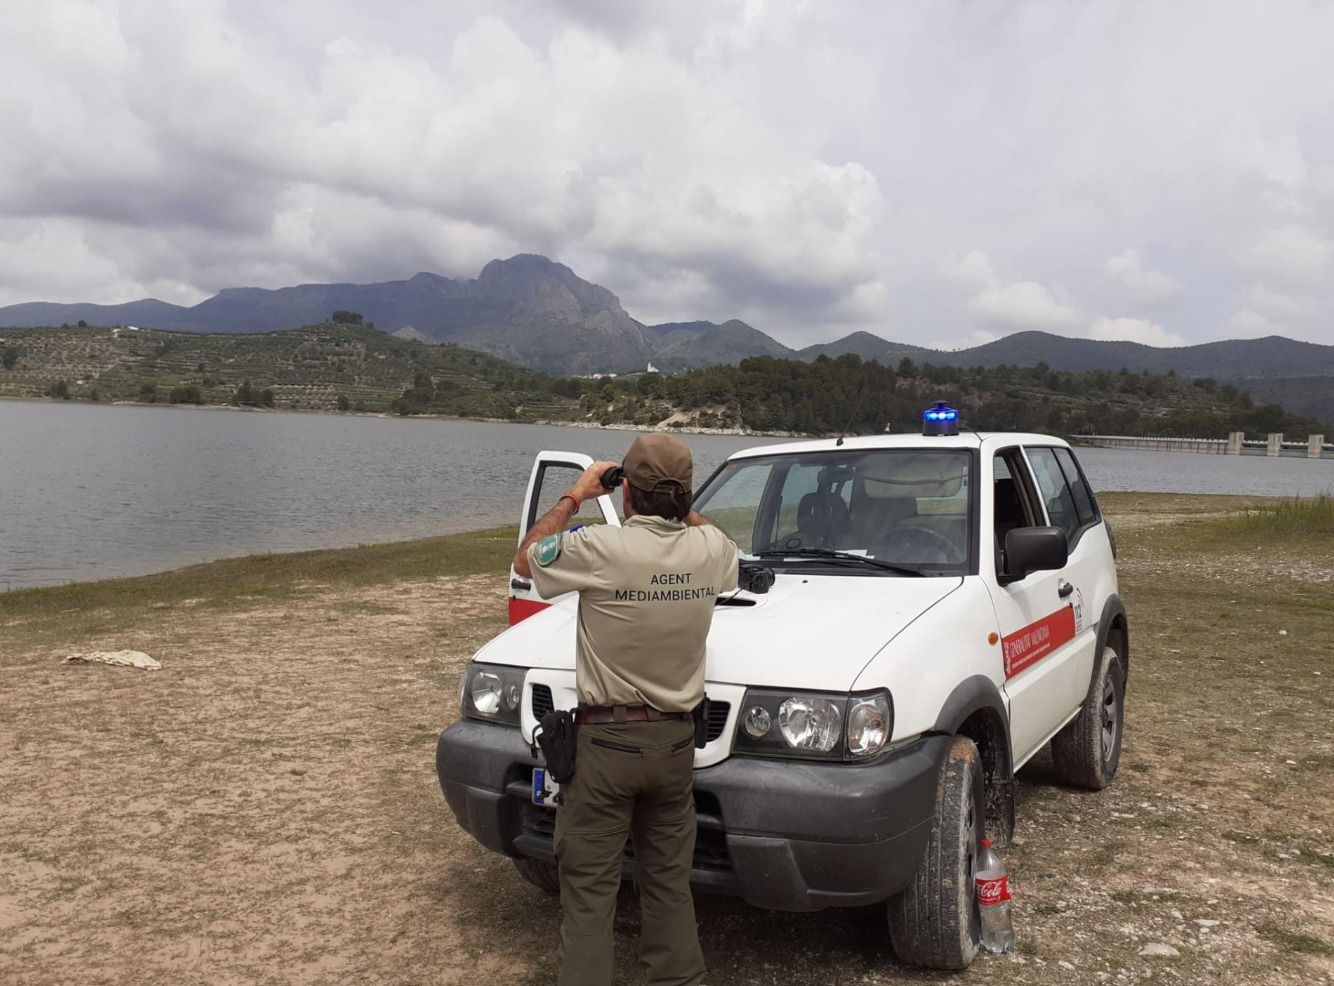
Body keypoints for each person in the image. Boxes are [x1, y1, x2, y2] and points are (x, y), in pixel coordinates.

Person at [513, 433, 738, 986]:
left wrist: (577, 494)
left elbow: (526, 559)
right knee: (669, 884)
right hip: (675, 746)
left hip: (607, 747)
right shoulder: (712, 551)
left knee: (590, 891)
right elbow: (720, 543)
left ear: (627, 492)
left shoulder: (600, 546)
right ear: (685, 496)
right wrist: (678, 505)